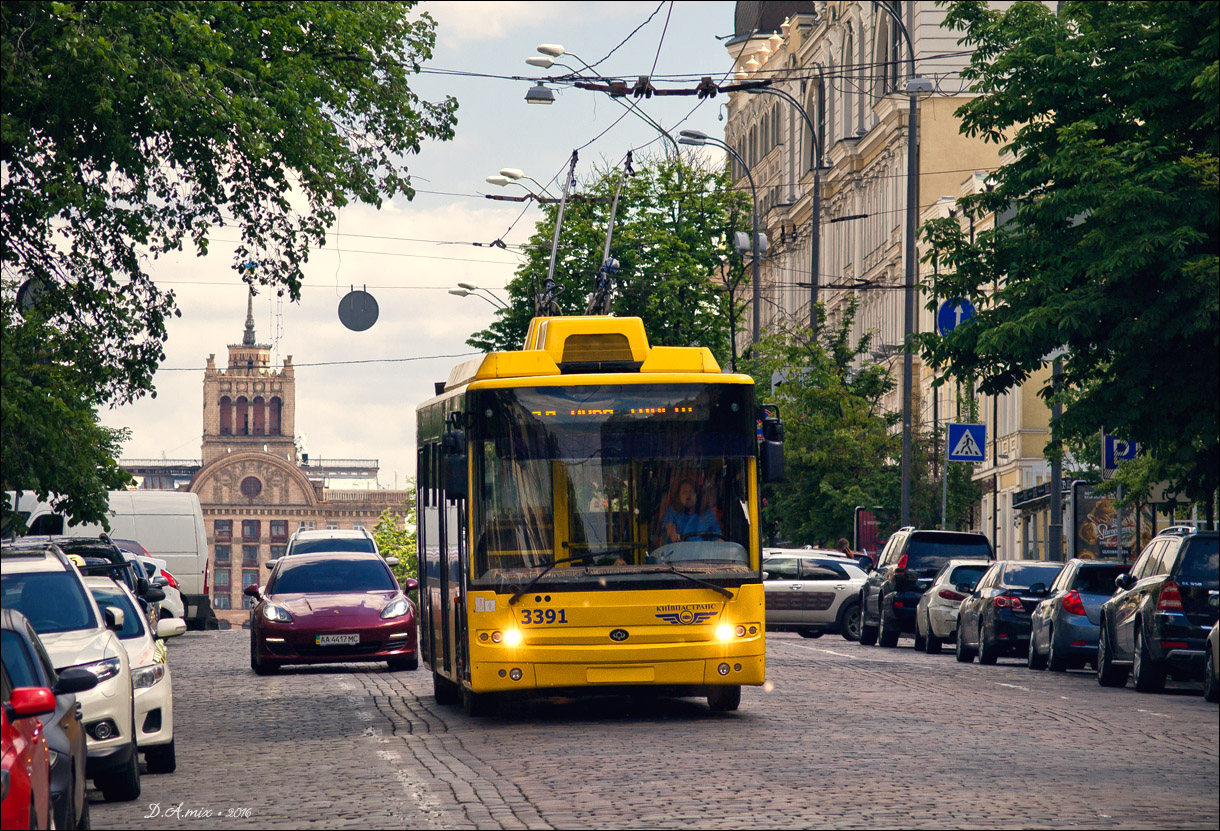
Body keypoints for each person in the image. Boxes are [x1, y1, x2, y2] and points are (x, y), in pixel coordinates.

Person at [662, 479, 721, 543]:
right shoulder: (672, 510)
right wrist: (673, 535)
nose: (688, 495)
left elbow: (718, 538)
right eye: (685, 492)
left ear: (697, 495)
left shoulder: (707, 513)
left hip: (703, 551)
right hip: (678, 550)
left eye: (691, 491)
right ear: (679, 496)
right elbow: (670, 528)